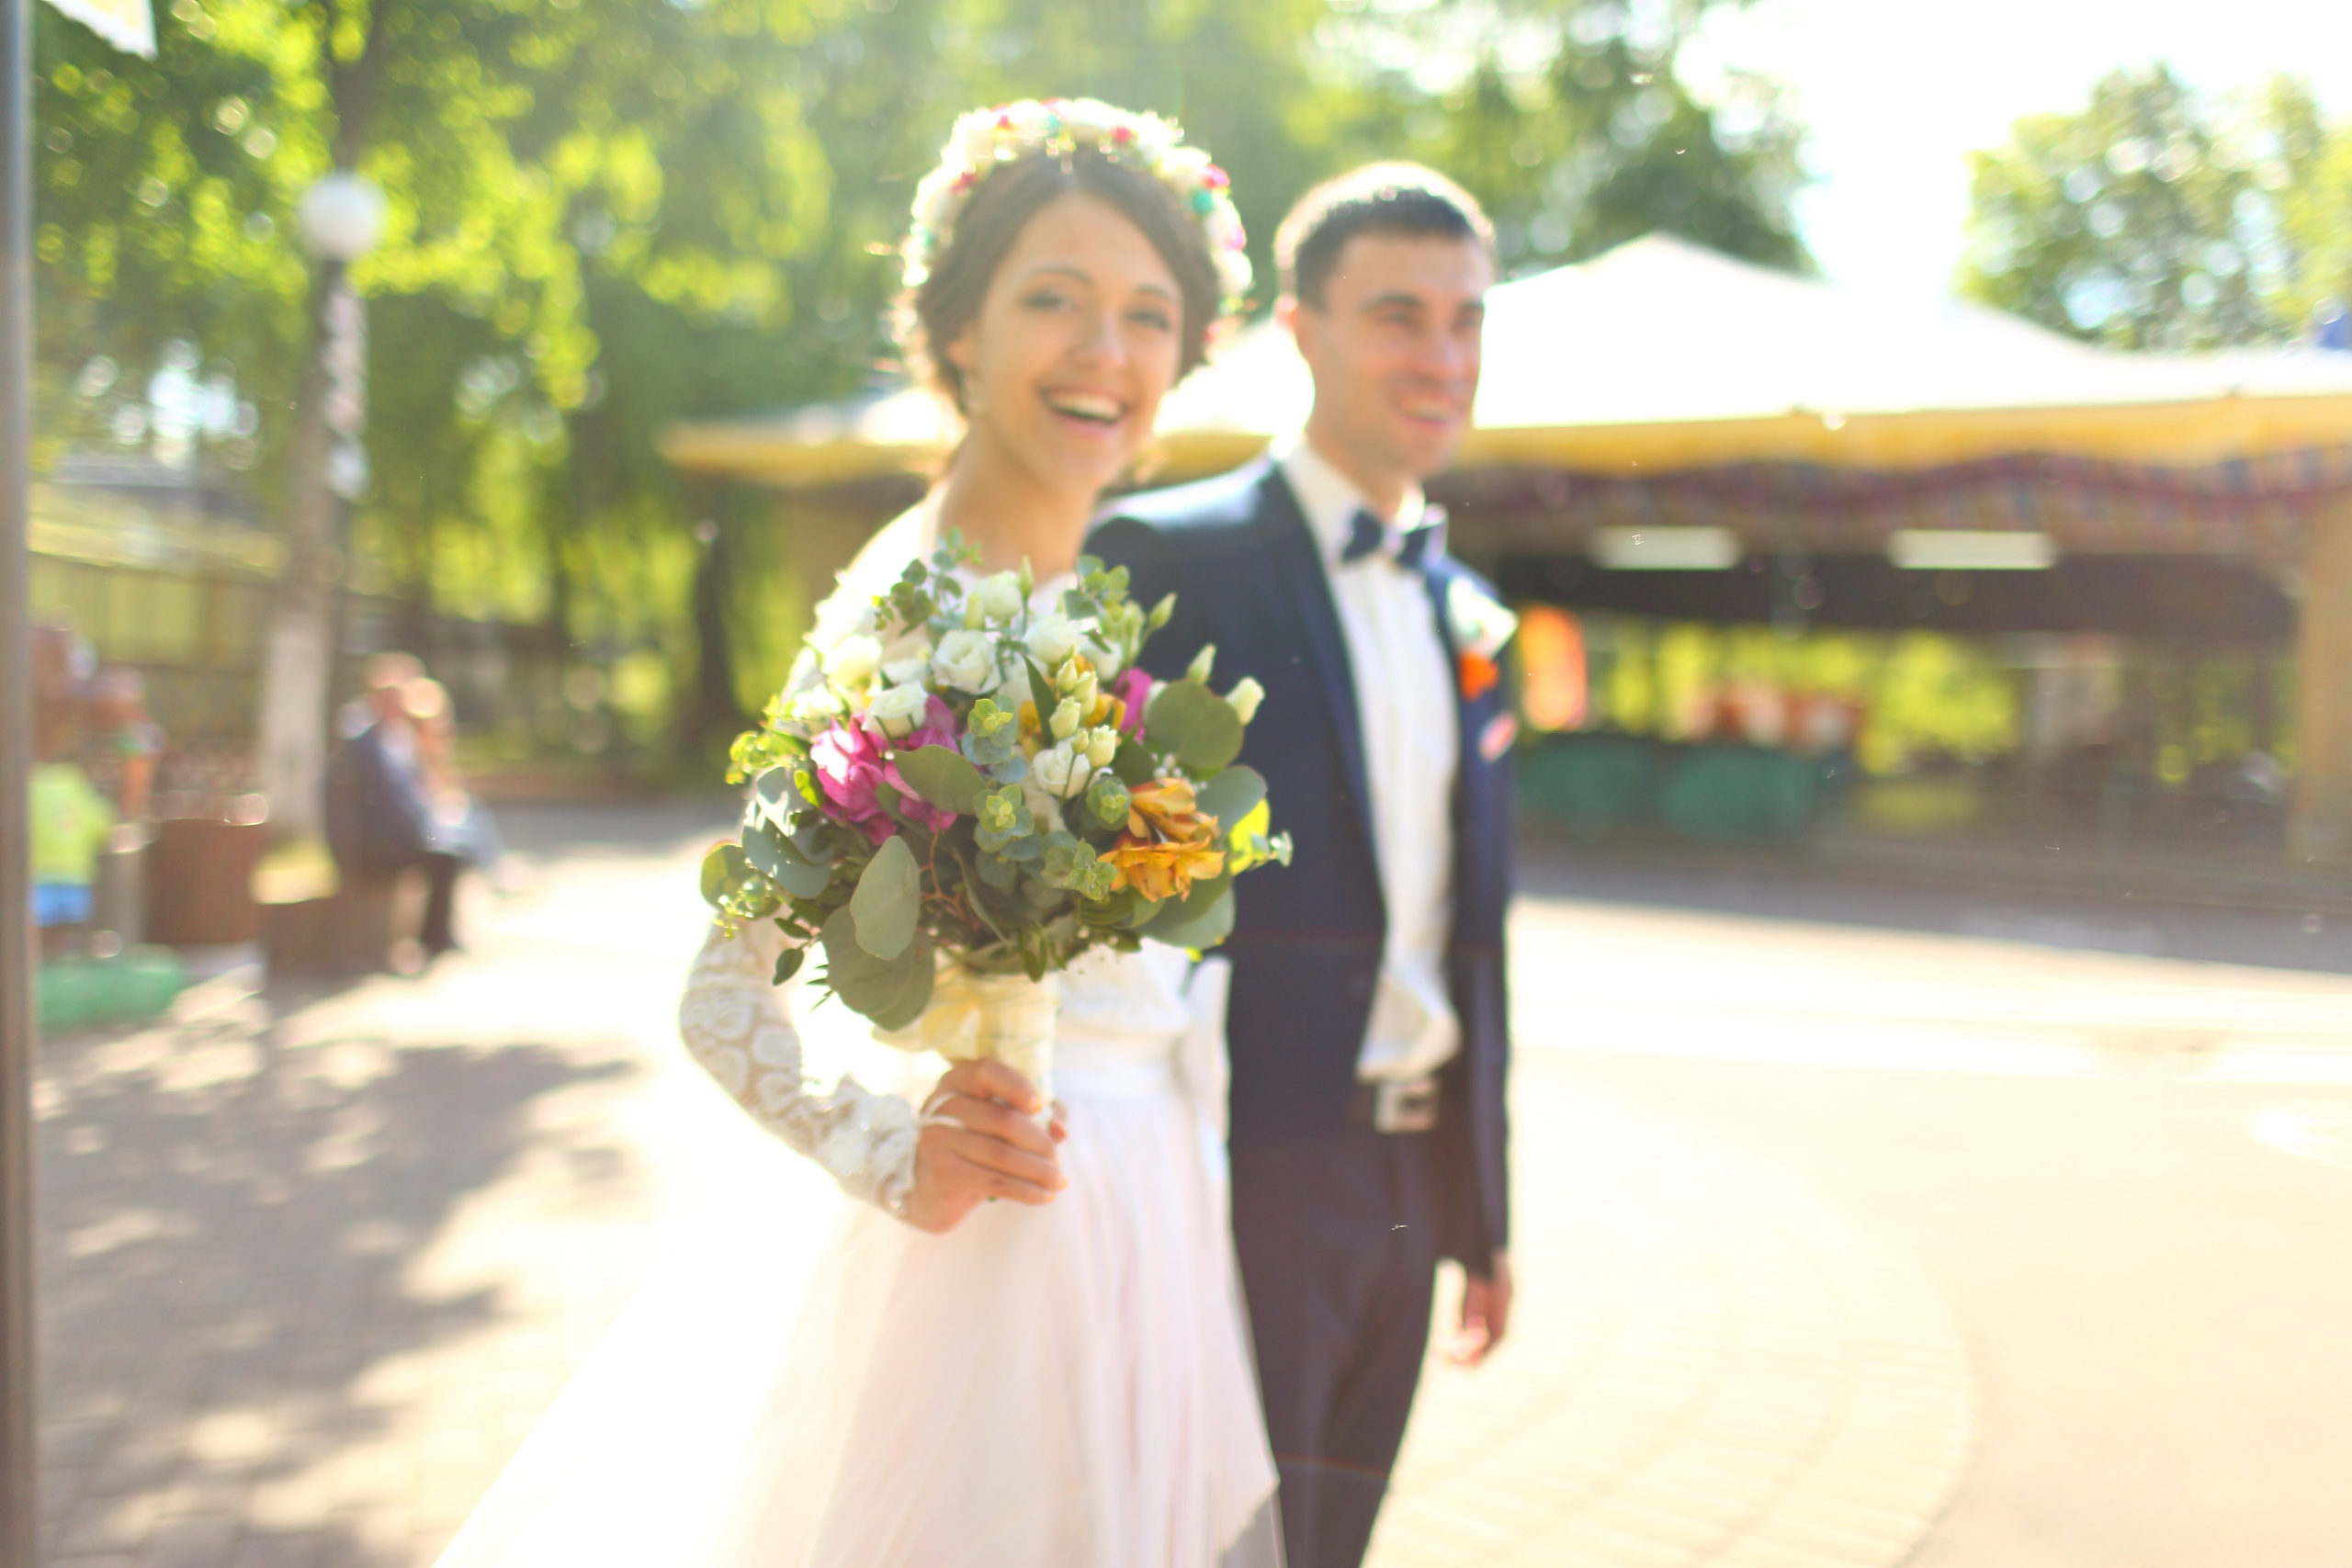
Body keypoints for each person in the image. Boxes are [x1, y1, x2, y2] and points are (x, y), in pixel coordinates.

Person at [660, 103, 1278, 1567]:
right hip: (990, 1272)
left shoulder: (1093, 599)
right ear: (959, 334)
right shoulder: (912, 608)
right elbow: (717, 989)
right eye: (1052, 300)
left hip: (1152, 1241)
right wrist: (888, 1147)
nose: (1103, 353)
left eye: (1147, 315)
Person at [1091, 164, 1518, 1568]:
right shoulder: (1173, 555)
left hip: (1412, 1184)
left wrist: (1482, 1203)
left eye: (1465, 319)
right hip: (1243, 1166)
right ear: (1301, 328)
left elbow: (1470, 923)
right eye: (1398, 314)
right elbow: (1118, 890)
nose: (1440, 356)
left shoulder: (1465, 608)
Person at [323, 652, 463, 957]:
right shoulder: (363, 742)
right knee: (444, 856)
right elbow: (376, 802)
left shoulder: (401, 737)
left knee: (452, 847)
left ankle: (436, 936)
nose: (397, 705)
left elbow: (417, 789)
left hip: (399, 833)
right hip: (376, 840)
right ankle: (435, 938)